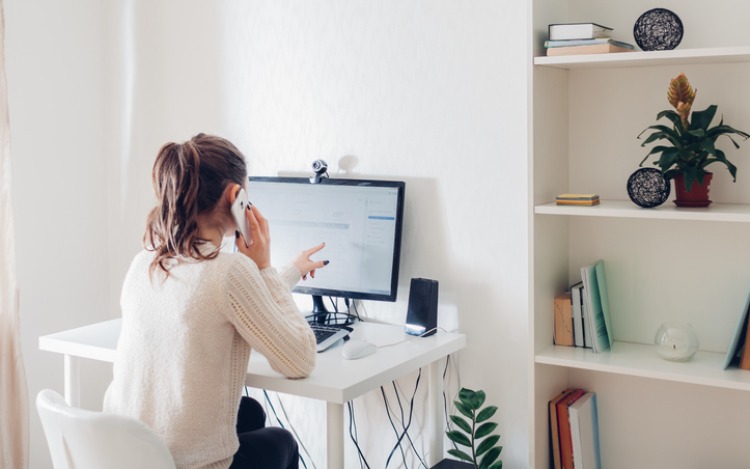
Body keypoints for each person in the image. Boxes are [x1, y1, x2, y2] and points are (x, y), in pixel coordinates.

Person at [103, 133, 326, 469]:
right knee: (281, 442)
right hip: (188, 465)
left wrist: (290, 271)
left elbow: (233, 303)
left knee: (249, 412)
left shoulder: (145, 263)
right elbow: (300, 359)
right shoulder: (230, 271)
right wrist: (263, 266)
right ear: (236, 196)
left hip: (130, 456)